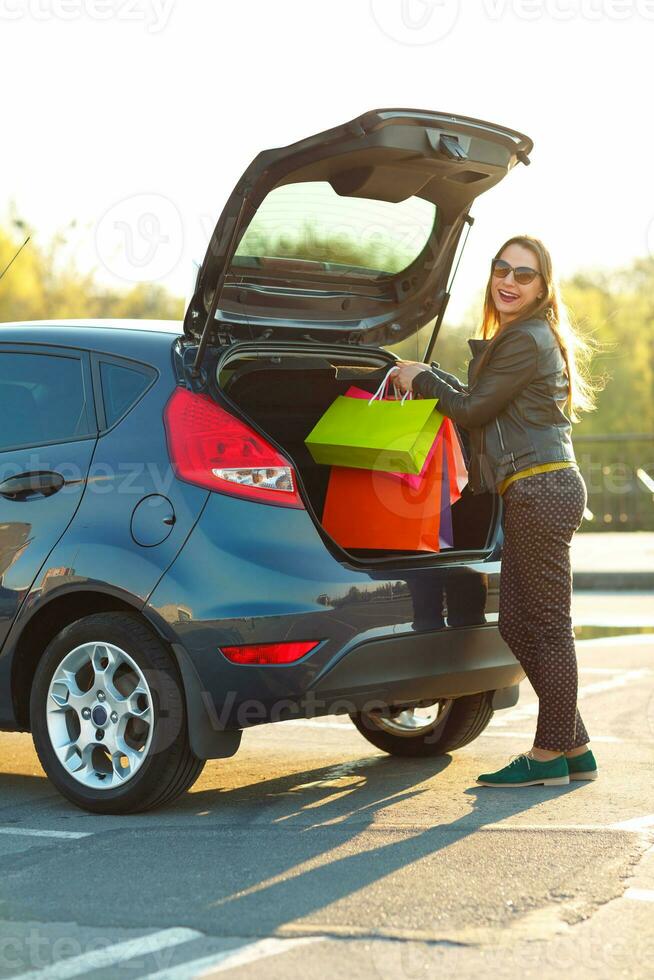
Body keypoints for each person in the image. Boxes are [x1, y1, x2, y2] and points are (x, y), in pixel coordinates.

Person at [390, 235, 606, 788]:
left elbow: (472, 407)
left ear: (542, 287)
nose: (508, 281)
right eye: (501, 268)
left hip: (541, 489)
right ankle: (574, 744)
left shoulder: (527, 339)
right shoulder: (521, 338)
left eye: (524, 274)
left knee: (549, 627)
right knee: (517, 623)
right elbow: (482, 409)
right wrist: (428, 379)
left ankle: (547, 753)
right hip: (534, 488)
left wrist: (424, 378)